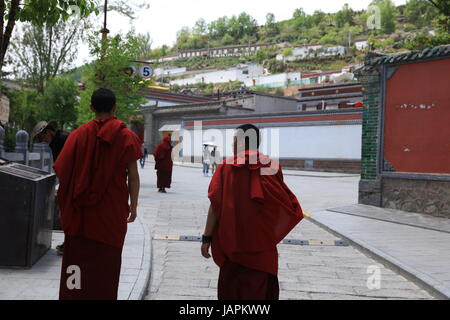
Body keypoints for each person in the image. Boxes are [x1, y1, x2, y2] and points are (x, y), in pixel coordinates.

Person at [53, 88, 143, 300]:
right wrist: (134, 206)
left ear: (91, 107)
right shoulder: (127, 136)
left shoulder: (77, 135)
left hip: (80, 215)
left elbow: (63, 174)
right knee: (105, 269)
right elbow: (133, 175)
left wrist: (63, 207)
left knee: (76, 264)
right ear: (115, 108)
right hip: (109, 215)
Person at [201, 124, 304, 300]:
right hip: (262, 247)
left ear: (240, 142)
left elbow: (215, 206)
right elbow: (284, 204)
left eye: (234, 140)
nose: (232, 145)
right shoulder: (271, 166)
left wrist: (207, 238)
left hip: (233, 243)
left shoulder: (226, 167)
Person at [32, 121, 70, 256]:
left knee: (67, 214)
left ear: (48, 132)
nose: (42, 140)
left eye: (42, 137)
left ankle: (70, 245)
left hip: (72, 182)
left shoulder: (64, 139)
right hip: (67, 181)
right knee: (64, 214)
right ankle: (69, 244)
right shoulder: (56, 142)